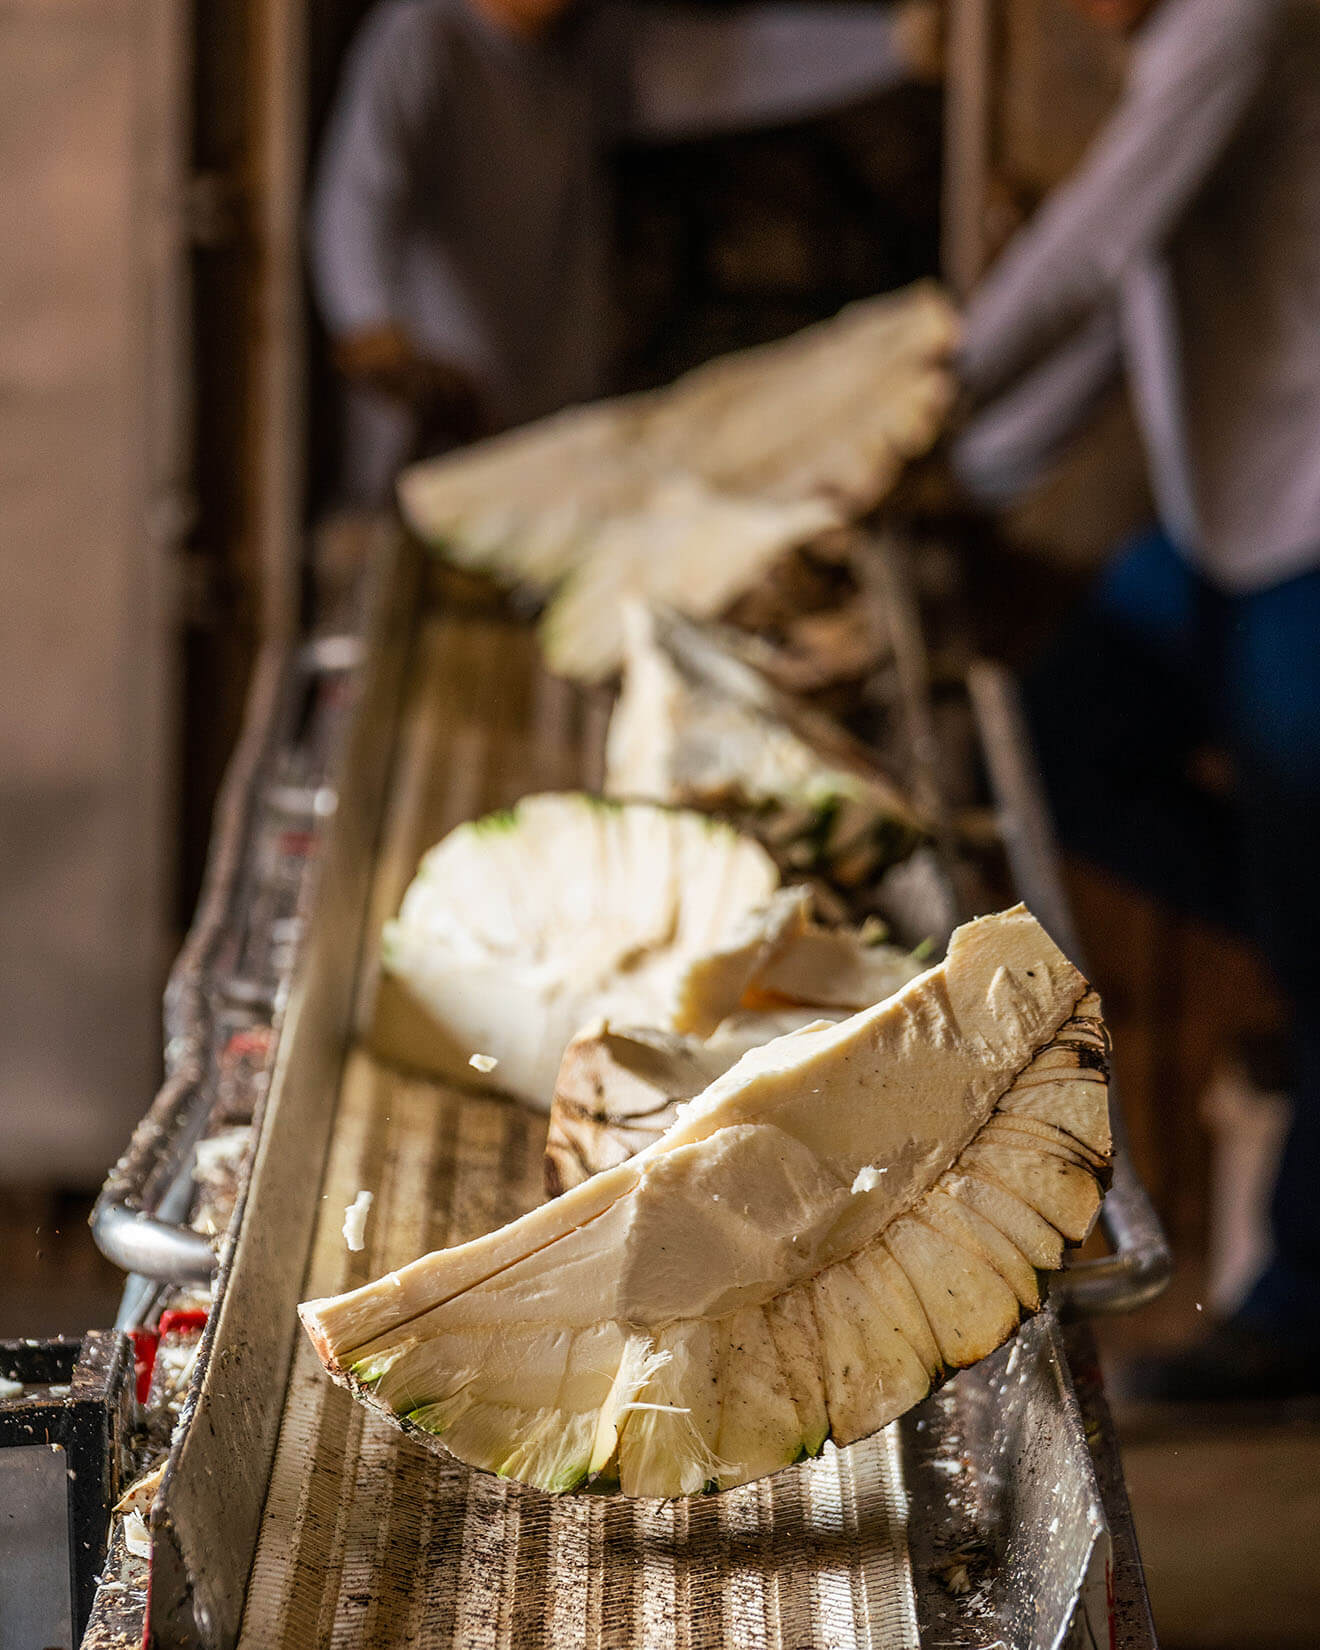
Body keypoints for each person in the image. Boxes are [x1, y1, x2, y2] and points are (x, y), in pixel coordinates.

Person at [953, 0, 1320, 1397]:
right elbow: (1125, 306)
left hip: (1305, 527)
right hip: (1230, 524)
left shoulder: (1246, 21)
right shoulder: (1180, 51)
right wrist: (957, 464)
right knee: (1064, 738)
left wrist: (926, 389)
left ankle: (1297, 1312)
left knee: (1318, 928)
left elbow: (1089, 252)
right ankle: (1300, 944)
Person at [310, 0, 940, 502]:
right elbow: (358, 201)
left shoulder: (587, 54)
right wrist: (376, 333)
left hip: (548, 435)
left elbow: (733, 65)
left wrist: (891, 43)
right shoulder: (423, 37)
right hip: (429, 447)